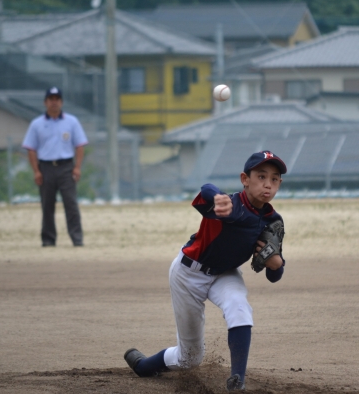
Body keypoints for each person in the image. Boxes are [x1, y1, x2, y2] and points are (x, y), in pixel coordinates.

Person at [124, 150, 288, 391]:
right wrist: (218, 198)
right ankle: (143, 366)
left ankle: (237, 381)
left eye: (274, 179)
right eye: (261, 176)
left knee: (239, 307)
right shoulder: (229, 206)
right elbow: (206, 189)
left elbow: (275, 275)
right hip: (188, 274)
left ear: (279, 184)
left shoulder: (272, 220)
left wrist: (277, 264)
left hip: (225, 273)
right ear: (245, 179)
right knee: (190, 358)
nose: (268, 184)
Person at [22, 86, 88, 247]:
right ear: (45, 102)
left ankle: (77, 239)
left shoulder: (71, 122)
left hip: (66, 167)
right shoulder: (36, 124)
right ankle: (48, 240)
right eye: (51, 99)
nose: (54, 102)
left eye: (57, 99)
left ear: (62, 102)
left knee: (71, 204)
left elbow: (80, 145)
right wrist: (36, 171)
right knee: (47, 205)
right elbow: (31, 149)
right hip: (46, 168)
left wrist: (77, 167)